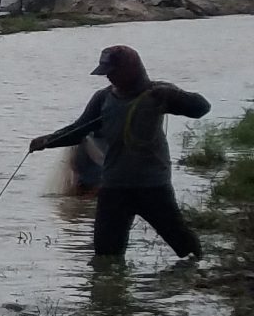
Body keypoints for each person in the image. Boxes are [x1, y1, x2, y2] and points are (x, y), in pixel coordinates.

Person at [28, 45, 208, 261]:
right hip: (114, 187)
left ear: (131, 68)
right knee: (106, 257)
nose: (110, 78)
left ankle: (199, 277)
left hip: (153, 186)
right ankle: (110, 291)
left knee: (185, 248)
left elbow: (201, 108)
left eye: (114, 72)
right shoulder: (103, 98)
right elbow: (79, 131)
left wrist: (176, 95)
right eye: (106, 73)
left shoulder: (158, 94)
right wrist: (48, 140)